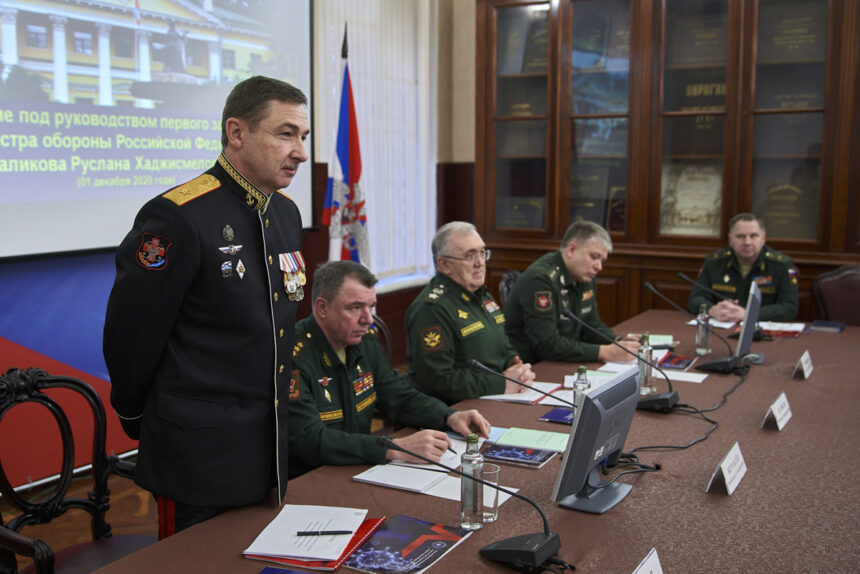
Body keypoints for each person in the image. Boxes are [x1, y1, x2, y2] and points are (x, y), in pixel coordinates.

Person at [103, 76, 310, 537]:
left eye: (302, 137)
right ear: (237, 133)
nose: (299, 151)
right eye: (286, 133)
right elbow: (131, 334)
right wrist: (137, 417)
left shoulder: (286, 214)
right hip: (198, 457)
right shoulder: (178, 215)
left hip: (268, 449)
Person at [288, 261, 491, 477]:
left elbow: (400, 396)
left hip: (361, 468)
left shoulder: (364, 343)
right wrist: (394, 447)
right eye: (355, 308)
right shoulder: (292, 357)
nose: (367, 320)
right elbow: (310, 440)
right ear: (322, 308)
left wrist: (449, 416)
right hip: (310, 479)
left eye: (371, 306)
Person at [406, 221, 536, 405]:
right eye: (469, 256)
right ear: (444, 265)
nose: (480, 263)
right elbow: (438, 380)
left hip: (495, 397)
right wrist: (501, 383)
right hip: (455, 410)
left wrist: (516, 368)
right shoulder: (432, 309)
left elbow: (502, 344)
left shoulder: (482, 296)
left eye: (482, 253)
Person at [504, 221, 640, 363]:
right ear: (571, 250)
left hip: (562, 361)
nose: (599, 267)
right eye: (594, 257)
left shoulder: (584, 276)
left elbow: (590, 325)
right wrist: (604, 352)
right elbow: (547, 344)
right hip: (530, 367)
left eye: (602, 260)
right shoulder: (541, 279)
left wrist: (617, 342)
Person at [687, 213, 798, 322]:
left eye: (754, 236)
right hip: (721, 329)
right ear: (730, 239)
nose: (747, 242)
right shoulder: (714, 263)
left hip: (761, 333)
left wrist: (748, 314)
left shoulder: (781, 265)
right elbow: (695, 299)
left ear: (763, 238)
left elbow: (789, 308)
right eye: (740, 236)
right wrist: (712, 310)